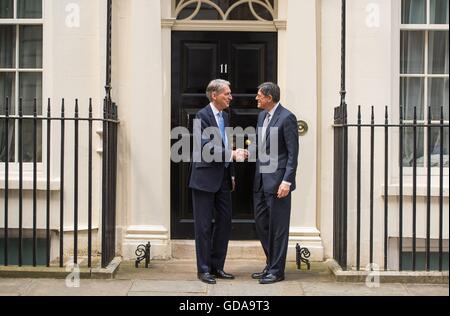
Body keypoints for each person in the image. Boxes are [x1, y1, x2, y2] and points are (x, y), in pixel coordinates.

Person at [189, 79, 248, 284]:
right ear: (214, 95)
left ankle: (217, 267)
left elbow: (226, 143)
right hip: (204, 179)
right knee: (203, 227)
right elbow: (205, 147)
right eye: (227, 94)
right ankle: (203, 269)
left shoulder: (225, 116)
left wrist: (231, 173)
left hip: (223, 179)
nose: (230, 97)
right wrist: (232, 155)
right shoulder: (201, 116)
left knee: (224, 224)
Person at [251, 82, 299, 284]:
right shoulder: (262, 116)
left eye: (259, 95)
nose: (256, 98)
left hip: (279, 183)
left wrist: (287, 181)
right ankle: (271, 264)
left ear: (269, 98)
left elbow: (292, 154)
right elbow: (260, 146)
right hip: (260, 181)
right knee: (262, 225)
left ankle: (277, 271)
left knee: (278, 228)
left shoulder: (287, 117)